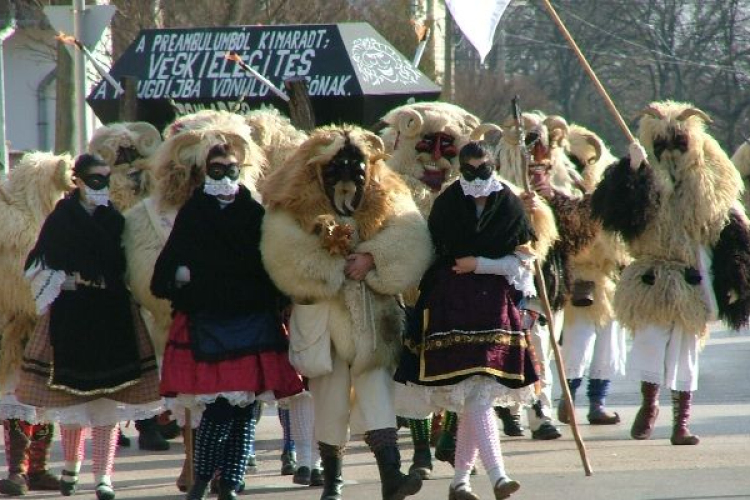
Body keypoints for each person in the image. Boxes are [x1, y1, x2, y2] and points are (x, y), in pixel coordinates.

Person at [260, 126, 432, 500]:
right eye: (338, 166)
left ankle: (391, 478)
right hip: (322, 316)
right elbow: (281, 251)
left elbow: (411, 235)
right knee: (330, 397)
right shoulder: (292, 202)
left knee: (376, 394)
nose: (349, 174)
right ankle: (333, 481)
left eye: (357, 166)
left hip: (371, 314)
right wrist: (330, 265)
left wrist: (372, 257)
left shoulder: (389, 194)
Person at [151, 143, 304, 500]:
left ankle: (231, 484)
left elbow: (269, 267)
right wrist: (188, 279)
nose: (224, 176)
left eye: (231, 169)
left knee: (246, 411)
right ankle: (203, 480)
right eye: (217, 170)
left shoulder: (253, 212)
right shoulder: (193, 212)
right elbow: (164, 274)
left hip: (252, 323)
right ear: (206, 173)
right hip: (208, 322)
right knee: (219, 411)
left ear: (240, 170)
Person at [395, 141, 539, 500]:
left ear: (493, 165)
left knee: (479, 397)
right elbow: (436, 252)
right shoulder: (446, 203)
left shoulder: (508, 202)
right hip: (451, 307)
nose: (477, 178)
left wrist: (482, 265)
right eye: (470, 171)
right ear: (461, 169)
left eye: (483, 170)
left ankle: (469, 480)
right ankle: (489, 478)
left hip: (495, 309)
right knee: (476, 398)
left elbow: (520, 263)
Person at [17, 153, 163, 500]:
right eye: (95, 178)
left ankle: (104, 476)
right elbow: (37, 261)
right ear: (78, 181)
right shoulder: (62, 218)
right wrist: (59, 280)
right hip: (71, 314)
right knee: (72, 399)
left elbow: (125, 262)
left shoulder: (114, 219)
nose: (102, 184)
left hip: (112, 315)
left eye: (106, 178)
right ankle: (72, 466)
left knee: (107, 401)